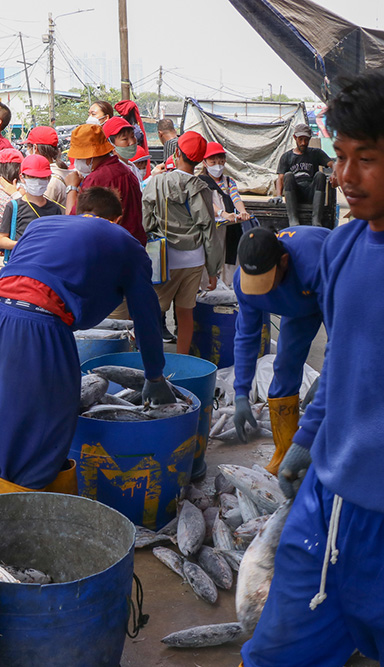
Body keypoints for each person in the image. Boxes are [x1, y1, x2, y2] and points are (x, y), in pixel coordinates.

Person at [242, 69, 384, 667]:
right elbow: (343, 367)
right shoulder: (349, 248)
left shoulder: (316, 255)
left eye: (368, 158)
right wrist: (303, 441)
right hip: (325, 504)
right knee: (274, 653)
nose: (346, 177)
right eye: (341, 157)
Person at [0, 196, 175, 495]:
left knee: (12, 422)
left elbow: (23, 267)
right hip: (39, 324)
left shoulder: (42, 224)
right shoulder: (127, 244)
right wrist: (154, 374)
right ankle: (17, 522)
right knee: (45, 432)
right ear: (116, 220)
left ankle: (20, 502)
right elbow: (147, 317)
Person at [231, 226, 327, 474]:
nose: (262, 289)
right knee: (284, 369)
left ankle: (333, 457)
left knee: (349, 376)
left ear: (284, 262)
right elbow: (247, 336)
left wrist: (329, 377)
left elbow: (346, 332)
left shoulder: (316, 261)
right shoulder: (243, 283)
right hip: (298, 306)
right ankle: (284, 452)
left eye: (266, 280)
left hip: (331, 291)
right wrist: (241, 392)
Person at [142, 131, 220, 357]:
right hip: (194, 260)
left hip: (164, 259)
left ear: (176, 153)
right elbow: (209, 230)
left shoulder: (157, 182)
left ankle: (151, 361)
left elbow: (145, 220)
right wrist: (212, 270)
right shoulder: (202, 188)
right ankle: (181, 361)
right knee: (186, 313)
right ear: (200, 161)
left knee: (153, 311)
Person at [65, 124, 146, 246]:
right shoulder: (124, 170)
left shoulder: (97, 179)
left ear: (89, 157)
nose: (77, 162)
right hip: (133, 245)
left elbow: (73, 221)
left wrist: (71, 187)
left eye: (78, 157)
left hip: (113, 248)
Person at [200, 141, 253, 281]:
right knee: (212, 257)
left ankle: (230, 286)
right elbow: (208, 202)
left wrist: (242, 212)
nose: (218, 165)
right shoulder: (200, 181)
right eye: (213, 162)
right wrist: (222, 214)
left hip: (229, 226)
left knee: (230, 258)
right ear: (204, 162)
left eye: (221, 161)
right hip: (212, 227)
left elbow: (236, 198)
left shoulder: (229, 181)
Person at [0, 154, 63, 255]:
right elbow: (1, 240)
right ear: (22, 178)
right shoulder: (13, 207)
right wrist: (22, 244)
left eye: (42, 178)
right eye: (32, 177)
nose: (38, 181)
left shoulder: (55, 209)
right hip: (21, 262)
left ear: (49, 178)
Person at [274, 122, 334, 228]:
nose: (303, 143)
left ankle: (316, 220)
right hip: (295, 194)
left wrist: (335, 174)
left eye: (306, 139)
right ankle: (293, 220)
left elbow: (333, 165)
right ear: (294, 138)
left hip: (311, 193)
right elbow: (281, 178)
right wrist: (278, 195)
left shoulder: (316, 153)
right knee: (288, 175)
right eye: (300, 139)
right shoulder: (286, 157)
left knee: (320, 175)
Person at [23, 126, 69, 206]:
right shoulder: (60, 170)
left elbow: (35, 208)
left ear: (35, 148)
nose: (27, 151)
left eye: (27, 146)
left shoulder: (48, 180)